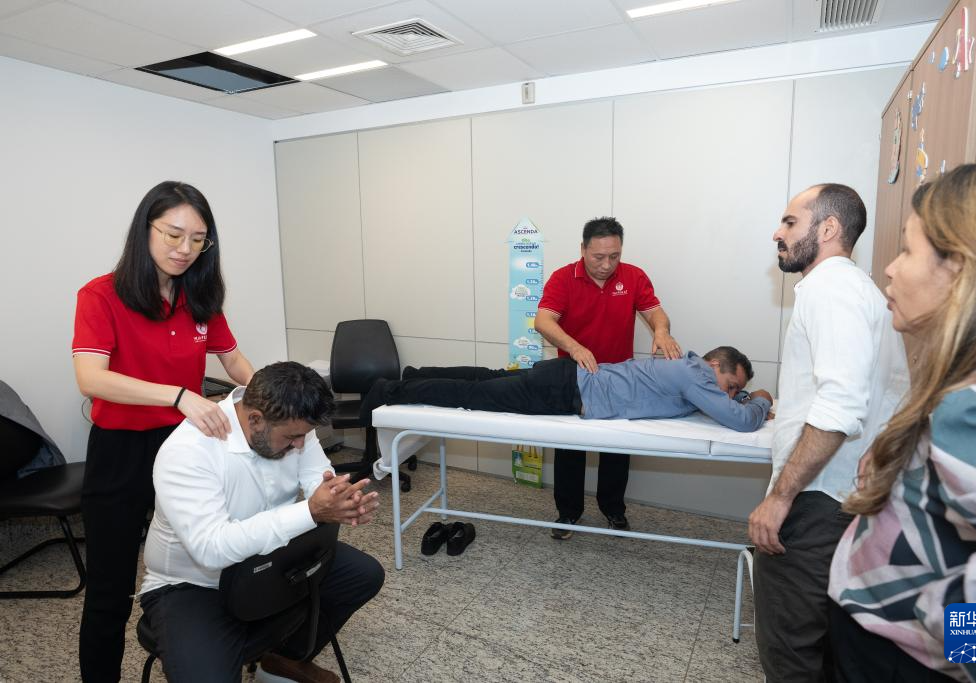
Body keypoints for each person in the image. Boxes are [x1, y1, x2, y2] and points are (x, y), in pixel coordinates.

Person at [828, 156, 976, 682]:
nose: (890, 269)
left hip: (899, 657)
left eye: (907, 250)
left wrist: (934, 625)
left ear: (960, 270)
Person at [72, 181, 256, 682]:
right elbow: (91, 378)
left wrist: (275, 396)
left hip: (184, 448)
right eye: (174, 234)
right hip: (122, 450)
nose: (185, 249)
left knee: (215, 560)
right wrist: (178, 395)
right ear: (145, 229)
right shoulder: (100, 295)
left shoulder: (200, 295)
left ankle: (219, 653)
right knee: (110, 587)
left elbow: (234, 360)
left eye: (198, 239)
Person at [748, 183, 909, 682]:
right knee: (832, 649)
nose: (777, 233)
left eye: (790, 222)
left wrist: (780, 497)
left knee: (792, 652)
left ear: (828, 229)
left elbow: (839, 406)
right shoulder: (861, 292)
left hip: (816, 500)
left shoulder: (830, 289)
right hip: (846, 495)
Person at [138, 361, 384, 683]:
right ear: (255, 419)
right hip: (194, 584)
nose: (300, 444)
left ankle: (282, 659)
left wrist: (341, 499)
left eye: (304, 436)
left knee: (363, 575)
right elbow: (211, 550)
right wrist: (311, 511)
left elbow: (317, 477)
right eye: (292, 437)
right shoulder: (189, 451)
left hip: (269, 559)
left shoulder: (292, 423)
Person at [536, 216, 681, 538]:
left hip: (619, 380)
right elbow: (543, 321)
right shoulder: (563, 278)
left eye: (614, 256)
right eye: (598, 257)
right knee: (570, 449)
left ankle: (613, 510)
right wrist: (575, 348)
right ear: (583, 249)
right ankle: (568, 514)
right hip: (575, 379)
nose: (606, 265)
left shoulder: (633, 276)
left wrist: (661, 331)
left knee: (616, 449)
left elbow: (655, 312)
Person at [362, 346, 772, 432]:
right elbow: (741, 421)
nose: (728, 394)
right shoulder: (694, 376)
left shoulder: (688, 371)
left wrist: (739, 396)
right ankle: (390, 391)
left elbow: (723, 404)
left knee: (484, 378)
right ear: (714, 366)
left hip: (563, 378)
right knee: (472, 396)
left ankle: (413, 374)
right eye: (730, 385)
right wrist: (760, 399)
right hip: (561, 392)